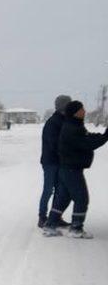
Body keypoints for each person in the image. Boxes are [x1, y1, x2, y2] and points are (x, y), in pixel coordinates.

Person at [43, 100, 108, 239]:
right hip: (71, 169)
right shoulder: (71, 128)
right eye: (81, 109)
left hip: (69, 168)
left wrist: (101, 135)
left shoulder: (74, 125)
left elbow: (87, 137)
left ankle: (50, 225)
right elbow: (87, 143)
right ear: (75, 112)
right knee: (82, 198)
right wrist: (105, 137)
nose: (84, 111)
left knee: (63, 198)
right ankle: (76, 228)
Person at [38, 94, 71, 228]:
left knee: (59, 190)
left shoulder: (65, 121)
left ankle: (55, 216)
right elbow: (54, 143)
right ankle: (42, 217)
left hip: (60, 161)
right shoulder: (53, 122)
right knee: (48, 189)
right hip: (50, 162)